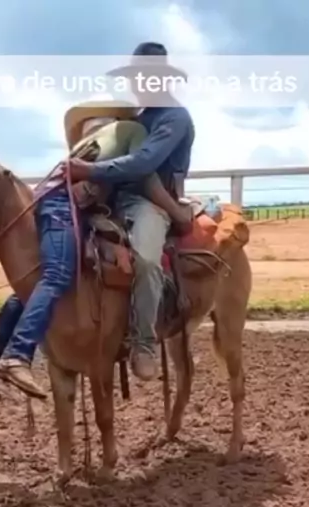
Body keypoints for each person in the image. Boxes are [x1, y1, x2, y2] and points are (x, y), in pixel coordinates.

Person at [0, 100, 192, 400]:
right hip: (66, 207)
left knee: (40, 277)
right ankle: (19, 354)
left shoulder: (84, 149)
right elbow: (144, 170)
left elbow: (113, 183)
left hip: (55, 204)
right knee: (58, 274)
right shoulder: (129, 131)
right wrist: (176, 213)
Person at [67, 42, 196, 382]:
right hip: (113, 197)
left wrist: (90, 170)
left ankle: (143, 342)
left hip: (152, 203)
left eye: (143, 77)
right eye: (135, 77)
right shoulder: (137, 120)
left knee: (147, 260)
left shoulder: (174, 118)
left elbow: (143, 163)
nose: (137, 84)